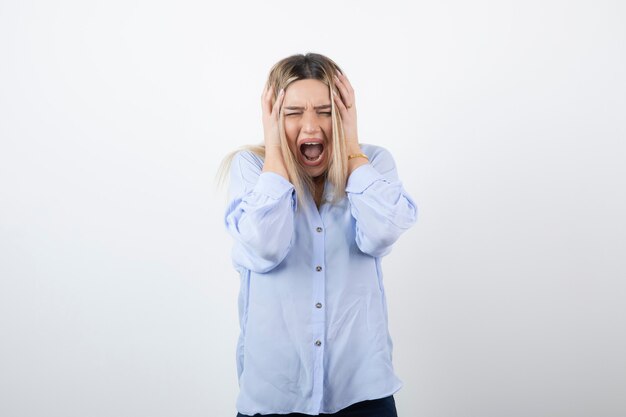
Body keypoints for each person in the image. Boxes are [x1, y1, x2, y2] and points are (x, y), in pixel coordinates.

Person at [218, 53, 418, 417]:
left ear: (343, 113)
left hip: (363, 395)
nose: (310, 127)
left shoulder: (373, 164)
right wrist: (276, 149)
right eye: (293, 113)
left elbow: (382, 233)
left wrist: (352, 150)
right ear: (274, 118)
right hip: (276, 398)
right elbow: (265, 246)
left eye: (325, 111)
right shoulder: (252, 169)